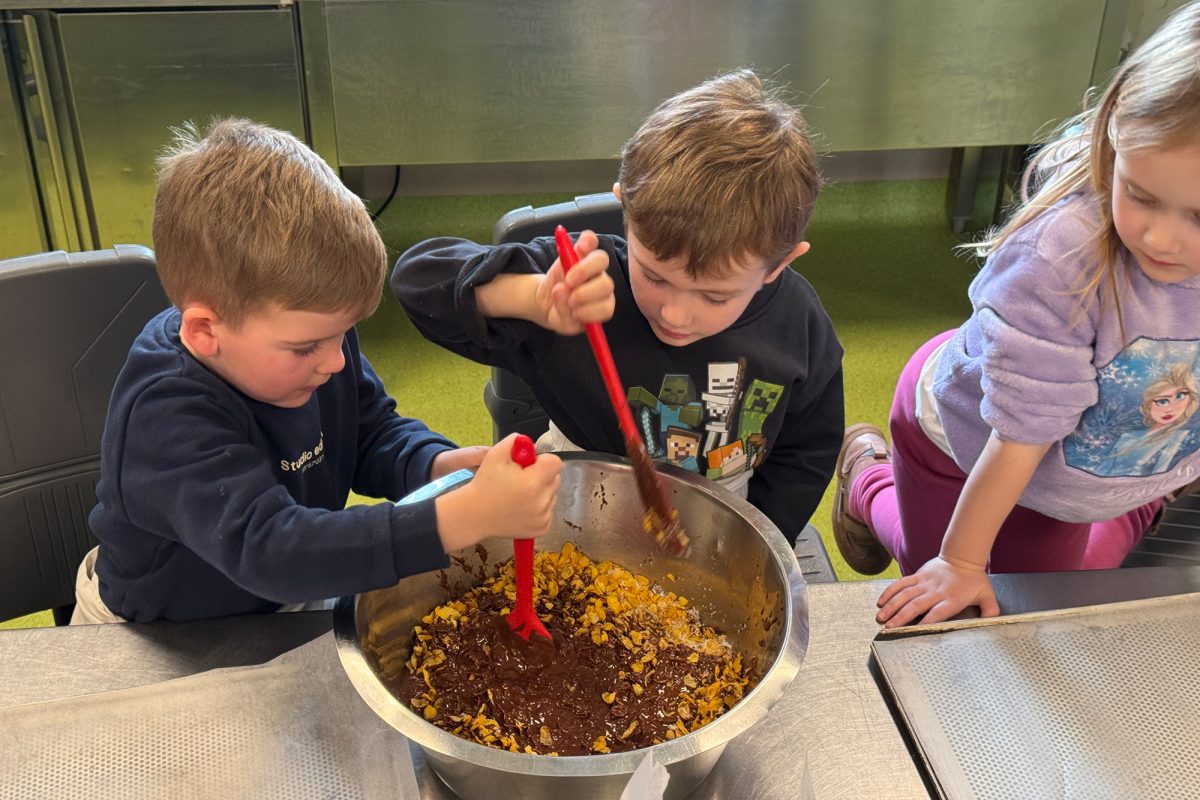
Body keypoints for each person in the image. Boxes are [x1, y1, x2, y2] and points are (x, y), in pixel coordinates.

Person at [72, 119, 562, 624]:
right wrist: (459, 518)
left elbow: (370, 434)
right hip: (159, 631)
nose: (336, 362)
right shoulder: (164, 411)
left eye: (344, 334)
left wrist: (439, 465)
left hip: (290, 591)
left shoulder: (316, 346)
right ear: (204, 332)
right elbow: (269, 550)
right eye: (306, 347)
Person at [832, 1, 1200, 628]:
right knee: (955, 604)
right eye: (1139, 195)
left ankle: (1137, 500)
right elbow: (1019, 440)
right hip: (970, 440)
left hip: (1081, 459)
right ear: (1112, 142)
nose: (1161, 239)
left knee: (1054, 584)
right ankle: (867, 482)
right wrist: (960, 561)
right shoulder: (1060, 260)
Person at [392, 69, 844, 546]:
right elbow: (416, 281)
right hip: (569, 497)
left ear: (779, 265)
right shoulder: (584, 281)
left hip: (723, 513)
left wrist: (749, 543)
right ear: (624, 210)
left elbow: (807, 453)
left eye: (715, 296)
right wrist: (531, 299)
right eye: (655, 276)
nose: (674, 314)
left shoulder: (798, 325)